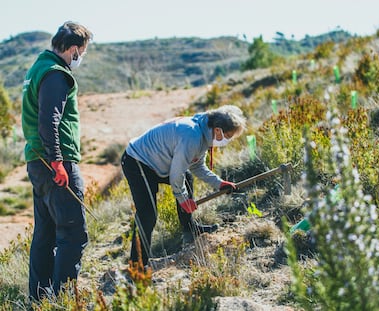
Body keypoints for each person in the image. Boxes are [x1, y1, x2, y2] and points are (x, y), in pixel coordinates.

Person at [121, 105, 246, 267]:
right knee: (147, 214)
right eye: (228, 136)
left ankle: (189, 229)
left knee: (187, 177)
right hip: (138, 162)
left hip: (158, 163)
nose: (228, 140)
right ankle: (137, 265)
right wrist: (183, 199)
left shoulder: (203, 133)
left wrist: (219, 183)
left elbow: (196, 166)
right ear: (217, 130)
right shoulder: (192, 135)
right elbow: (176, 174)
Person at [21, 21, 93, 301]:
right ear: (73, 50)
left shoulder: (37, 68)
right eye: (82, 52)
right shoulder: (55, 74)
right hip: (54, 163)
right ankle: (62, 300)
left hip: (38, 161)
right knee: (74, 234)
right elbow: (48, 120)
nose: (81, 58)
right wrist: (59, 162)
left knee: (45, 235)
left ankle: (39, 299)